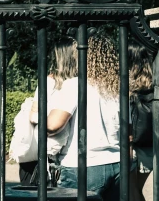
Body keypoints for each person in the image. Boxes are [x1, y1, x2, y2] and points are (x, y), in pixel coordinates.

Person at [48, 34, 121, 201]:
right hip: (117, 163)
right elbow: (128, 132)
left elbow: (53, 125)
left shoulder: (74, 84)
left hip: (83, 164)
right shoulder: (117, 87)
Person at [23, 37, 77, 186]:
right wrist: (53, 124)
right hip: (43, 156)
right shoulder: (49, 82)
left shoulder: (76, 83)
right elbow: (33, 116)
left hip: (62, 155)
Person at [129, 42, 153, 201]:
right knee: (150, 193)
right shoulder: (156, 82)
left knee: (132, 193)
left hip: (132, 148)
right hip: (152, 148)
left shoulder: (123, 85)